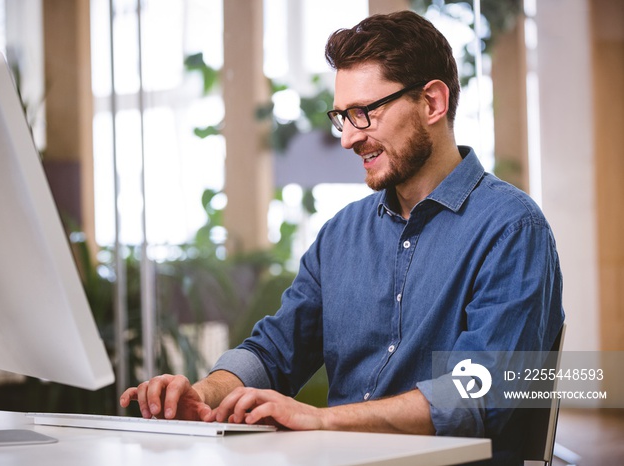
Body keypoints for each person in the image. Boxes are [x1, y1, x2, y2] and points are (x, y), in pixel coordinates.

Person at [121, 10, 565, 465]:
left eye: (364, 113)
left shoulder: (511, 228)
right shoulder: (341, 235)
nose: (349, 138)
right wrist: (202, 394)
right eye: (342, 117)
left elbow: (478, 394)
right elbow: (275, 351)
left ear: (432, 103)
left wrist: (321, 420)